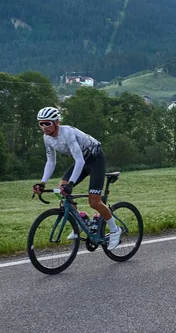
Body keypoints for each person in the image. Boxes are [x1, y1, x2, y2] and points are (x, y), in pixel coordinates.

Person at [32, 107, 122, 249]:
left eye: (47, 123)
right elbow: (51, 162)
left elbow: (79, 161)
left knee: (94, 201)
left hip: (95, 160)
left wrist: (71, 184)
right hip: (82, 161)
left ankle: (115, 230)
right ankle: (83, 220)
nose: (44, 127)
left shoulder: (67, 133)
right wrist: (43, 182)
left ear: (57, 122)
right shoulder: (47, 138)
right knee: (60, 191)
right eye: (41, 124)